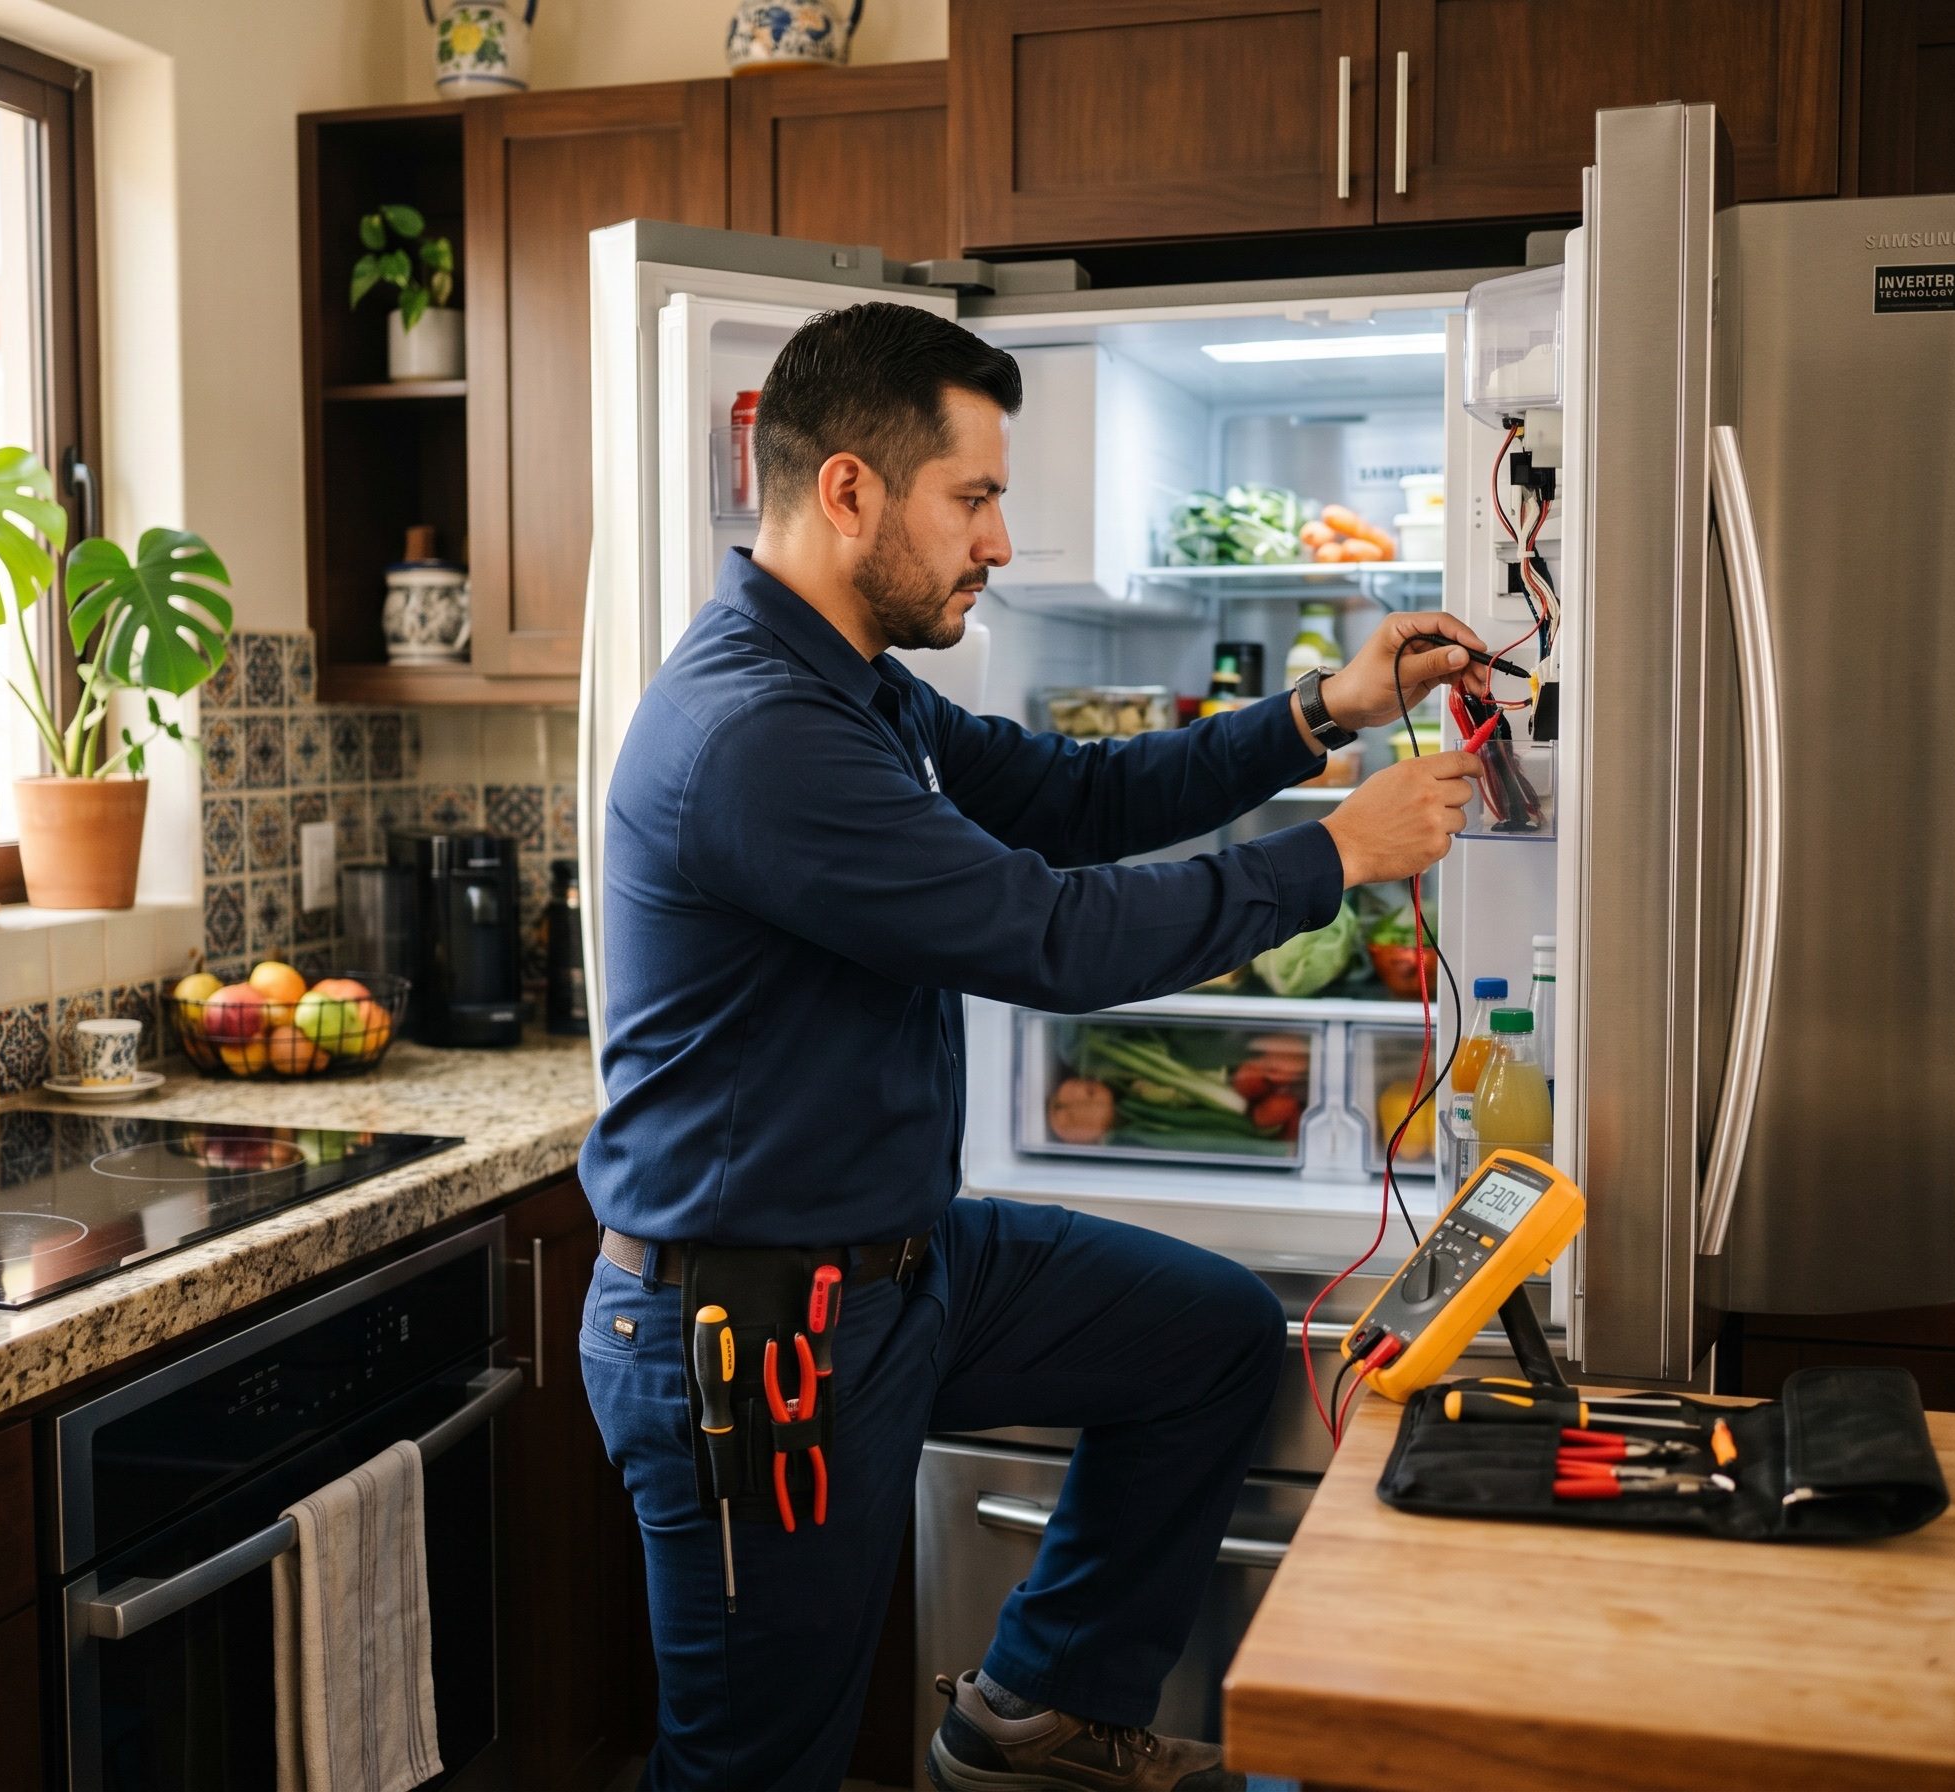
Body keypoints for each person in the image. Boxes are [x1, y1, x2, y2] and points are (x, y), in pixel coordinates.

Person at [577, 302, 1488, 1792]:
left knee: (1204, 1339)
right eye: (977, 498)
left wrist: (1325, 708)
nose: (1000, 542)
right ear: (852, 489)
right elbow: (1054, 936)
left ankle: (1036, 1716)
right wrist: (1331, 859)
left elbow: (1075, 797)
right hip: (752, 1333)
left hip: (898, 1266)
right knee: (756, 1769)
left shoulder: (855, 690)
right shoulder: (760, 735)